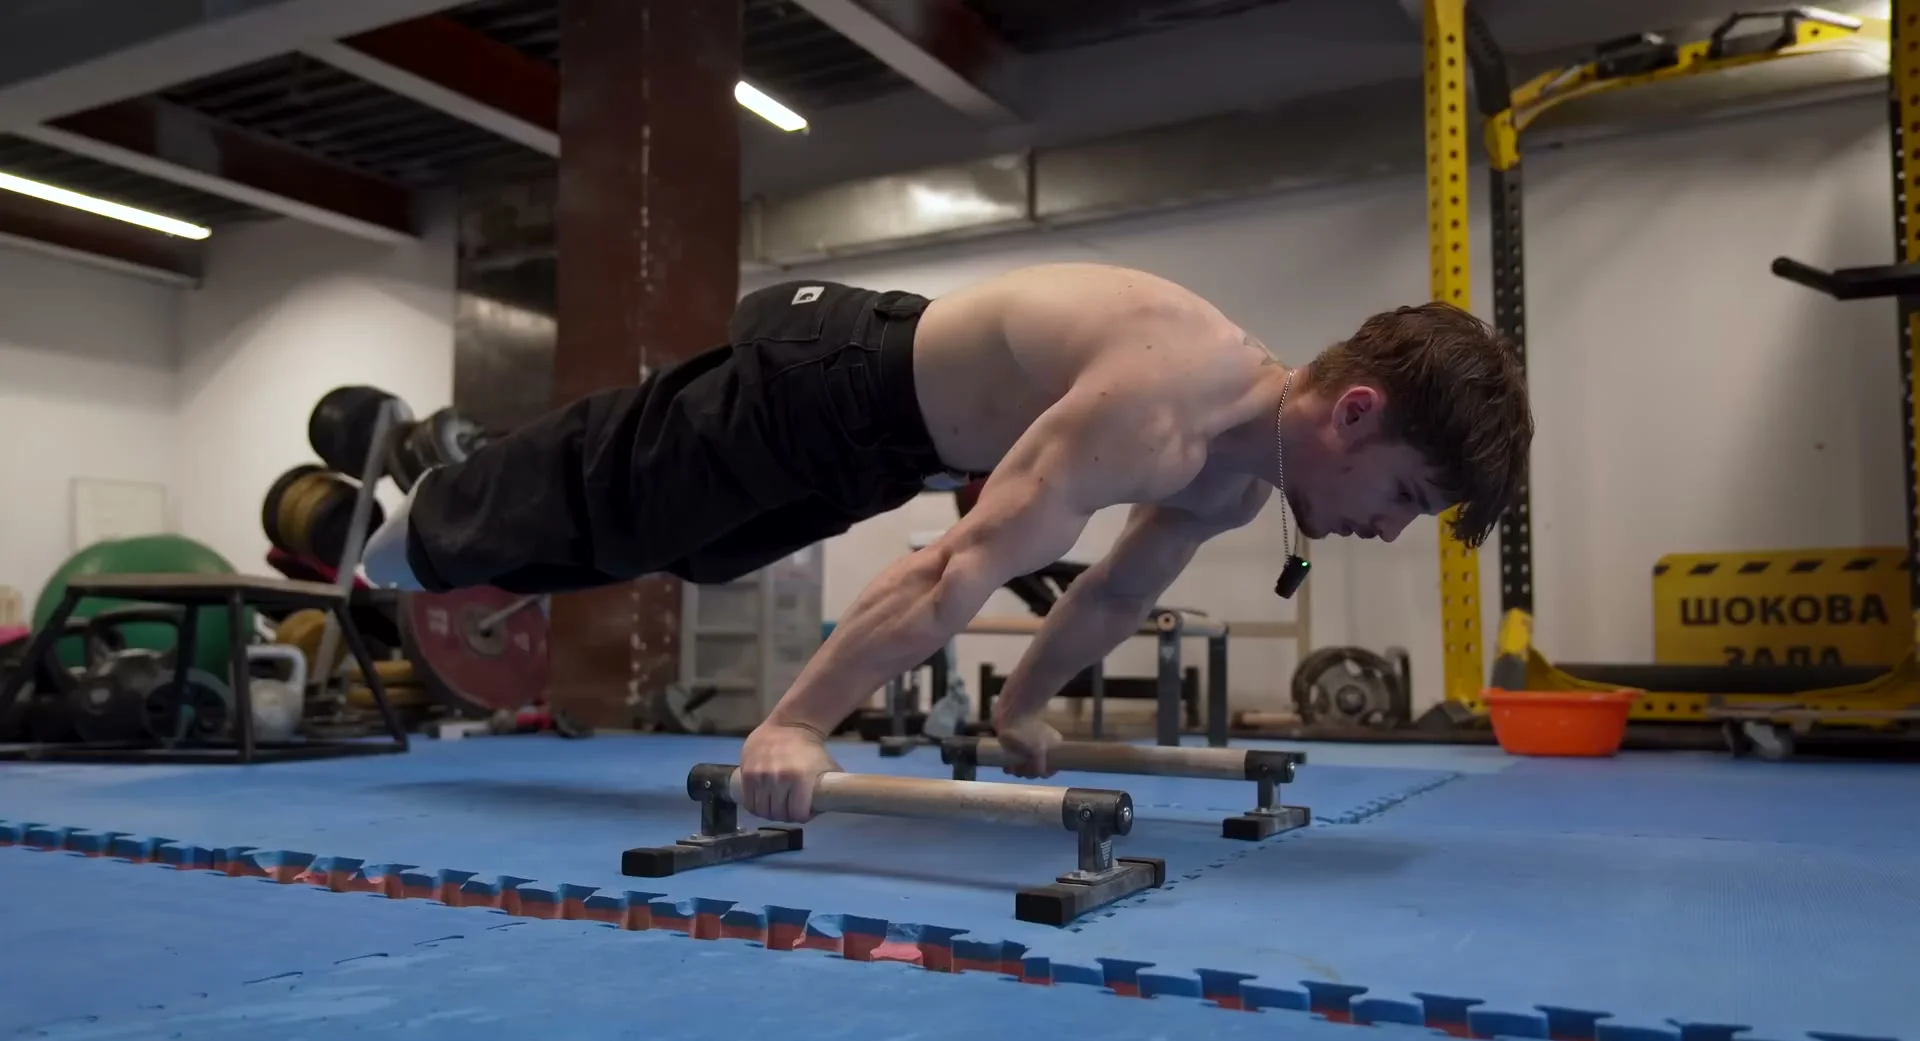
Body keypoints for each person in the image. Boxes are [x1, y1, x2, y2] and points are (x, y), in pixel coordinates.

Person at [361, 262, 1532, 823]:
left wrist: (1019, 706)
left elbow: (1112, 599)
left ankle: (444, 538)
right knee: (622, 497)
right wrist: (796, 724)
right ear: (1358, 413)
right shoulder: (1164, 397)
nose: (1386, 532)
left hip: (880, 447)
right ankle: (427, 507)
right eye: (1405, 497)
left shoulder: (1229, 484)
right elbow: (957, 568)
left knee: (688, 553)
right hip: (824, 376)